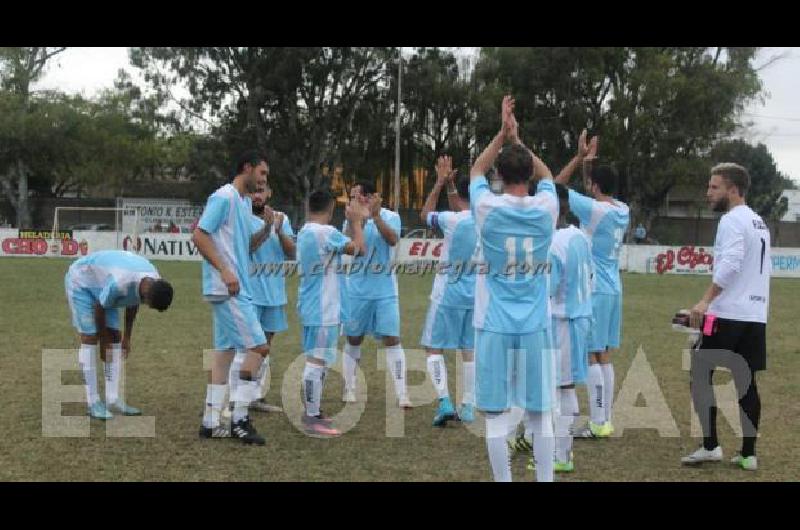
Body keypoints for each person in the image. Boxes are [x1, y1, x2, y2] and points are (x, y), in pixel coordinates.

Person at [470, 96, 558, 482]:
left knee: (495, 415)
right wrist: (519, 138)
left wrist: (501, 135)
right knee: (540, 414)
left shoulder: (487, 208)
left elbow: (475, 169)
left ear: (501, 177)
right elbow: (551, 176)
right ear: (529, 177)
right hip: (536, 324)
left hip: (496, 324)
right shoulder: (546, 209)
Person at [681, 163, 770, 471]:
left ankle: (710, 446)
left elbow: (731, 263)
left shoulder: (732, 220)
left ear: (733, 190)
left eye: (714, 187)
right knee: (746, 381)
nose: (709, 193)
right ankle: (748, 453)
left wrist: (706, 300)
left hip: (728, 312)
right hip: (755, 315)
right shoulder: (759, 222)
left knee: (699, 372)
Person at [192, 150, 272, 445]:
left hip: (235, 287)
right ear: (247, 168)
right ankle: (240, 419)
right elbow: (199, 235)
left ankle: (211, 422)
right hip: (229, 289)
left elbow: (246, 245)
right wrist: (225, 270)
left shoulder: (241, 202)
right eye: (262, 173)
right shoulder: (224, 197)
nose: (264, 181)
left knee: (224, 356)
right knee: (258, 348)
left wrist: (266, 225)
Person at [555, 131, 629, 438]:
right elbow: (591, 189)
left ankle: (599, 422)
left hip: (594, 288)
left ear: (595, 186)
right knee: (604, 354)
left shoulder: (594, 210)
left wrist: (578, 159)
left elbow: (555, 188)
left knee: (590, 355)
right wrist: (590, 162)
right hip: (614, 288)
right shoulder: (622, 209)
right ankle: (604, 418)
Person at [64, 250, 173, 419]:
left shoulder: (153, 280)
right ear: (147, 294)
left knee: (116, 336)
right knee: (90, 337)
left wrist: (127, 338)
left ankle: (113, 399)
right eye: (148, 303)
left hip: (103, 284)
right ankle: (93, 403)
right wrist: (103, 342)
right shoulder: (120, 283)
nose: (146, 305)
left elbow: (134, 302)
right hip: (82, 282)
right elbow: (100, 308)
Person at [296, 189, 365, 436]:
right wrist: (357, 221)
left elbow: (339, 245)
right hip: (324, 307)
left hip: (311, 305)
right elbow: (359, 249)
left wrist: (351, 223)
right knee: (317, 362)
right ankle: (311, 417)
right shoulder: (326, 232)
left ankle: (313, 411)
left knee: (319, 360)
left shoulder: (306, 232)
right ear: (331, 208)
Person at [419, 155, 478, 427]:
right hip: (474, 294)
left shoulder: (452, 221)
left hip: (447, 293)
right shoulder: (485, 219)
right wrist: (452, 186)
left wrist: (440, 183)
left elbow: (425, 214)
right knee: (469, 350)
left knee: (434, 348)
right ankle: (468, 405)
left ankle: (444, 402)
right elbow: (462, 207)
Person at [341, 180, 411, 408]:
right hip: (357, 290)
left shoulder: (391, 216)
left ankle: (402, 394)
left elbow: (392, 239)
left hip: (386, 291)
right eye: (355, 196)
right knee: (354, 338)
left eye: (360, 196)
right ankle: (349, 387)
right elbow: (350, 244)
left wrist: (376, 216)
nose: (357, 200)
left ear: (373, 197)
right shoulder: (352, 218)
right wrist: (357, 217)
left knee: (392, 339)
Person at [547, 183, 593, 472]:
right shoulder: (579, 236)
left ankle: (562, 456)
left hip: (563, 321)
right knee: (562, 386)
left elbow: (546, 292)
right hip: (580, 318)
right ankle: (557, 449)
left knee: (562, 387)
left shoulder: (553, 244)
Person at [245, 179, 295, 414]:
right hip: (250, 294)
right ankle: (238, 397)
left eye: (261, 191)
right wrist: (266, 228)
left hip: (275, 294)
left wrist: (277, 228)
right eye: (254, 191)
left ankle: (256, 396)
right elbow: (247, 248)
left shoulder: (281, 218)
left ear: (269, 192)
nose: (257, 196)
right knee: (248, 346)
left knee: (266, 347)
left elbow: (292, 252)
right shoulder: (242, 217)